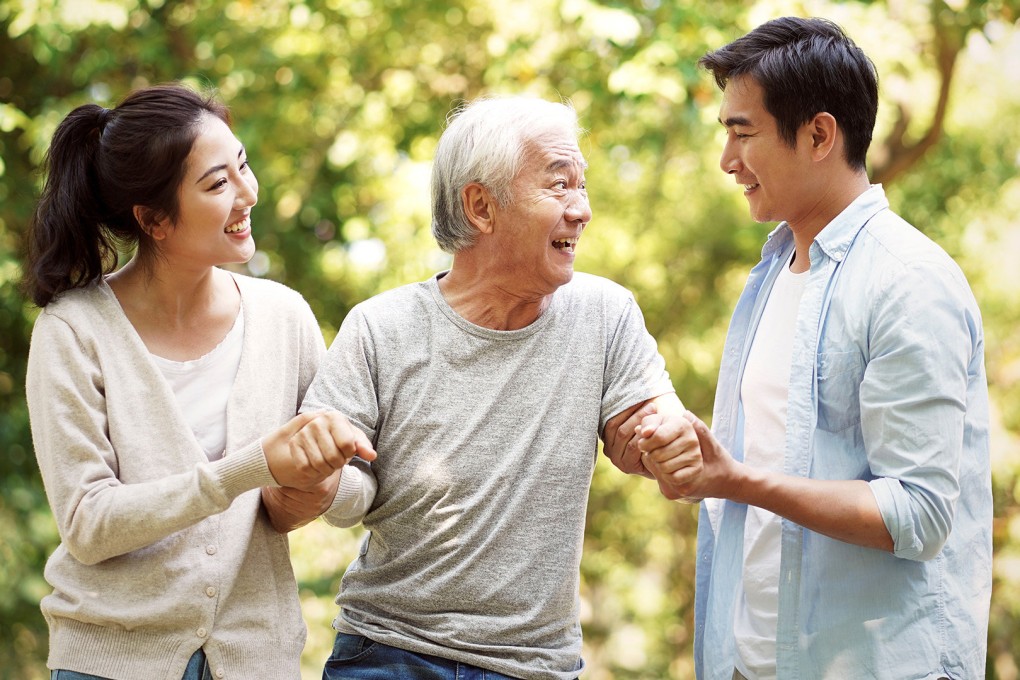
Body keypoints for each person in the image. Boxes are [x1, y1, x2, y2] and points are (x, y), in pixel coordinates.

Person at [260, 95, 702, 680]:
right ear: (480, 207)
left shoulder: (605, 314)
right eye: (560, 185)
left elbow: (641, 430)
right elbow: (330, 497)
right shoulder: (381, 327)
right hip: (390, 652)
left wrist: (665, 442)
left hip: (535, 667)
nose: (583, 209)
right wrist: (315, 479)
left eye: (582, 185)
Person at [644, 16, 991, 680]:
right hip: (752, 663)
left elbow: (917, 512)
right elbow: (765, 461)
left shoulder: (907, 281)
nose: (727, 160)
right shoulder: (772, 274)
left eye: (742, 133)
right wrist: (689, 460)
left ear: (819, 134)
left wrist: (735, 479)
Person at [23, 83, 374, 680]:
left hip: (256, 659)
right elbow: (87, 523)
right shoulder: (73, 331)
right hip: (108, 664)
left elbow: (358, 490)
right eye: (216, 184)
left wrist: (318, 487)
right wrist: (250, 468)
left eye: (243, 166)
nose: (247, 194)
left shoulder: (284, 318)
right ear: (154, 220)